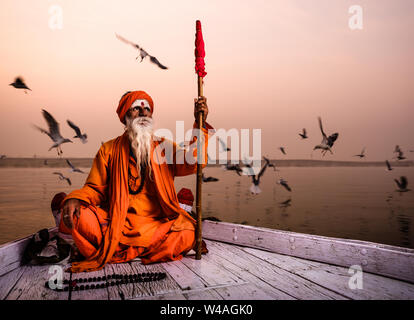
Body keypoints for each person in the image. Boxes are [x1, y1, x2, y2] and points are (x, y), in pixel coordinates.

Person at [59, 90, 213, 273]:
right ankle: (143, 251)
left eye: (147, 108)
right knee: (80, 216)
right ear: (125, 117)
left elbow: (193, 162)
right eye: (136, 108)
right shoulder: (108, 150)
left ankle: (118, 250)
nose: (143, 112)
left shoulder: (164, 147)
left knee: (188, 234)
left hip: (157, 223)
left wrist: (199, 124)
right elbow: (95, 188)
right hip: (117, 222)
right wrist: (75, 198)